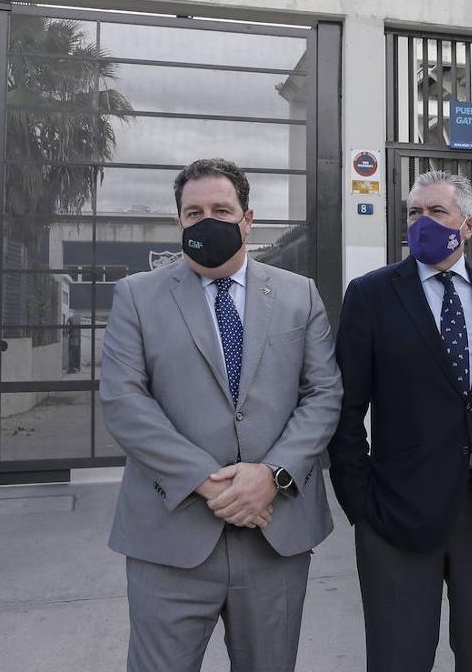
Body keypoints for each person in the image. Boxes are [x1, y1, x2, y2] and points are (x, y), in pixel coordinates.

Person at [100, 158, 342, 672]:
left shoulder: (299, 295)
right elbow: (125, 403)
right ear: (179, 222)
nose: (206, 220)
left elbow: (323, 393)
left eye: (220, 209)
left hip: (274, 535)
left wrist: (271, 477)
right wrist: (213, 486)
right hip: (171, 539)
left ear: (247, 220)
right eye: (194, 212)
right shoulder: (137, 297)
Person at [328, 170, 472, 672]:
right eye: (413, 212)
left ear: (468, 225)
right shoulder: (371, 295)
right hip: (396, 515)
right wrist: (359, 501)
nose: (421, 222)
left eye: (436, 212)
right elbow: (344, 407)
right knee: (398, 658)